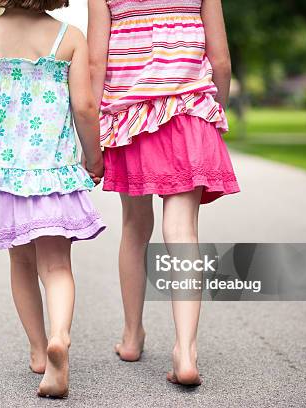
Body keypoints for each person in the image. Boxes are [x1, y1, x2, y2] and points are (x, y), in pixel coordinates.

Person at [0, 0, 105, 398]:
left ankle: (39, 351)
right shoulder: (68, 37)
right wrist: (94, 156)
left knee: (20, 262)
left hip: (1, 178)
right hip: (53, 173)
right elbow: (85, 107)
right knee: (56, 267)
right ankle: (59, 336)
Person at [88, 0, 239, 385]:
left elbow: (95, 64)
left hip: (130, 118)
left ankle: (132, 335)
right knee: (183, 231)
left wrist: (91, 135)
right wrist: (213, 109)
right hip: (190, 112)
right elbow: (220, 61)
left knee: (136, 227)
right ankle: (185, 350)